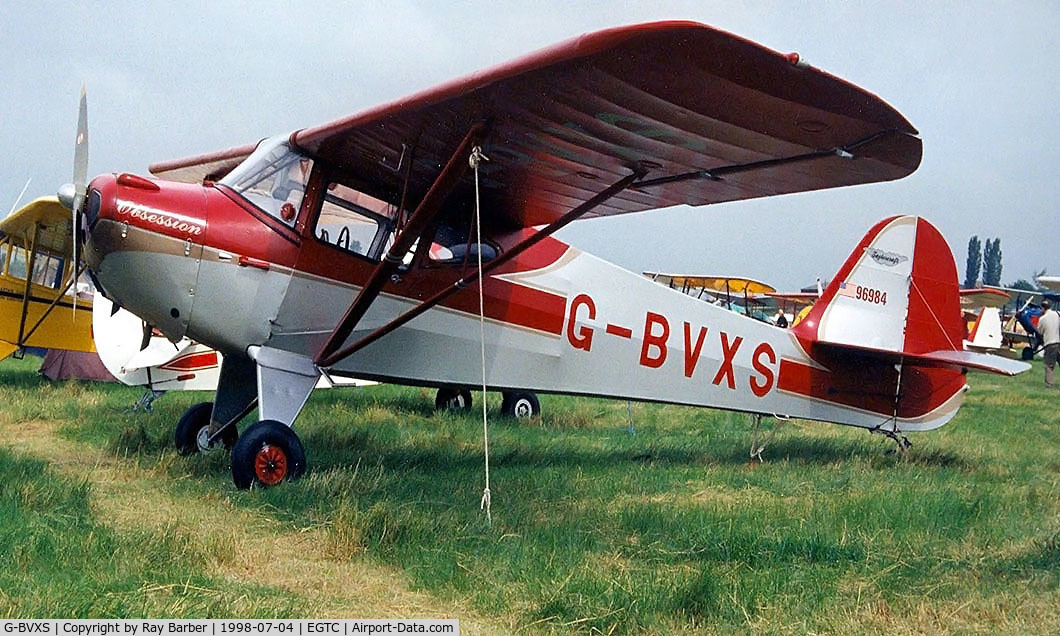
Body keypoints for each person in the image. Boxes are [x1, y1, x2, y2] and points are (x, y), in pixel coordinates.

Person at [1039, 299, 1060, 387]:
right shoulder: (1057, 314)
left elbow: (1040, 331)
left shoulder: (1042, 319)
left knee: (1049, 365)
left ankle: (1049, 384)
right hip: (1058, 342)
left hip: (1050, 344)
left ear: (1043, 308)